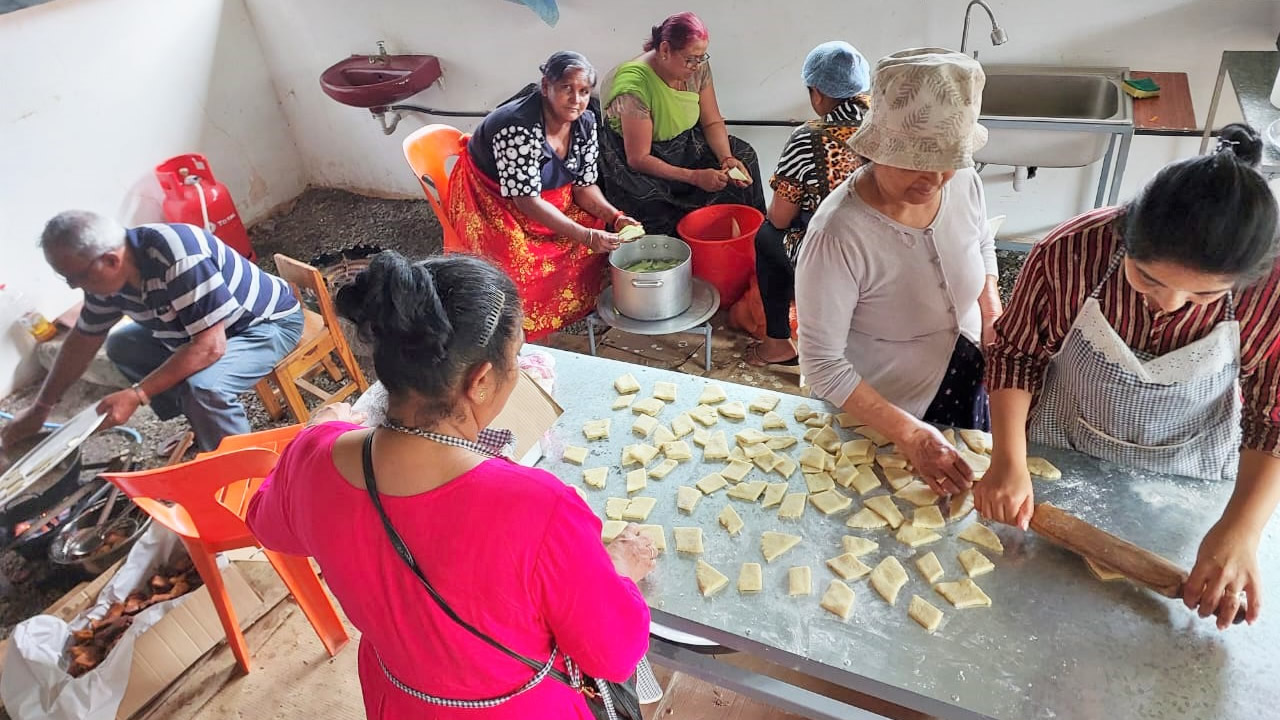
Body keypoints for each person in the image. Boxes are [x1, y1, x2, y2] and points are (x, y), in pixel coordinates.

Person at [246, 251, 655, 718]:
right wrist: (618, 566)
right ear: (480, 381)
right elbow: (615, 653)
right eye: (516, 354)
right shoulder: (541, 509)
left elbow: (265, 523)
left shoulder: (314, 458)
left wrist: (319, 426)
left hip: (401, 699)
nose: (518, 367)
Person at [976, 123, 1280, 630]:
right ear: (1125, 234)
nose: (1170, 303)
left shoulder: (1271, 290)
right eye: (1148, 278)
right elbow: (1016, 355)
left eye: (1203, 296)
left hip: (1188, 478)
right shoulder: (1073, 252)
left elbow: (1274, 416)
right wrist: (1008, 459)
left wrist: (1241, 529)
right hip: (1060, 455)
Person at [795, 48, 1002, 496]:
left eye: (946, 160)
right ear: (877, 149)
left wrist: (989, 308)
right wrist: (909, 434)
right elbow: (822, 365)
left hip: (965, 369)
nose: (935, 179)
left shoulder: (963, 180)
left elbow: (982, 240)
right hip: (885, 408)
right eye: (915, 160)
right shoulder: (838, 234)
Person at [1, 211, 302, 452]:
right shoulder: (108, 279)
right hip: (199, 331)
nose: (75, 286)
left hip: (263, 325)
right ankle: (203, 424)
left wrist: (137, 394)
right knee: (122, 344)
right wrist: (41, 407)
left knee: (204, 388)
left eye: (76, 277)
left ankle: (243, 477)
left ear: (110, 260)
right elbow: (82, 340)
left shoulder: (178, 256)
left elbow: (210, 347)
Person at [447, 51, 640, 342]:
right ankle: (512, 330)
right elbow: (525, 200)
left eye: (584, 91)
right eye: (567, 89)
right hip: (493, 196)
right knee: (515, 260)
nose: (576, 99)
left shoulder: (585, 124)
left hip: (545, 192)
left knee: (593, 228)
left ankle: (570, 309)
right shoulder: (517, 128)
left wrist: (615, 217)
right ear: (546, 86)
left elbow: (584, 187)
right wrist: (584, 235)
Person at [748, 41, 872, 367]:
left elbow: (779, 217)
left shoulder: (810, 137)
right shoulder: (886, 121)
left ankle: (777, 343)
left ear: (816, 93)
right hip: (888, 252)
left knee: (767, 236)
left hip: (839, 261)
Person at [599, 12, 766, 236]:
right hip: (637, 156)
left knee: (744, 156)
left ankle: (744, 240)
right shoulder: (633, 87)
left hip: (682, 141)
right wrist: (694, 177)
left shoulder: (697, 69)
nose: (696, 65)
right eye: (690, 59)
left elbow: (712, 120)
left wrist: (726, 159)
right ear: (665, 50)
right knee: (649, 200)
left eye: (701, 57)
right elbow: (638, 158)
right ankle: (679, 256)